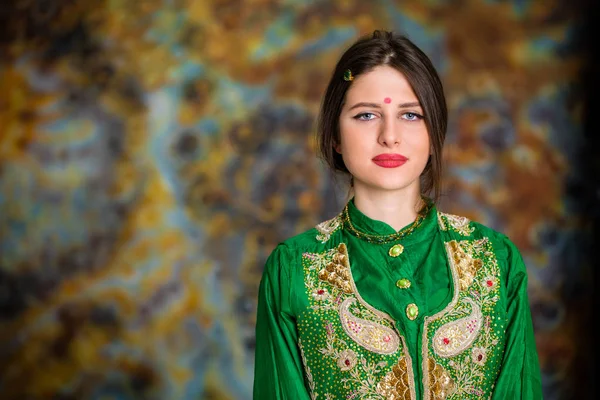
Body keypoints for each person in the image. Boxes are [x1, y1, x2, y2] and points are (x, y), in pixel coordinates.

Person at [253, 29, 542, 399]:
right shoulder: (294, 269)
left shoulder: (494, 260)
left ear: (434, 132)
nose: (390, 136)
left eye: (410, 115)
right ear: (335, 136)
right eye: (367, 115)